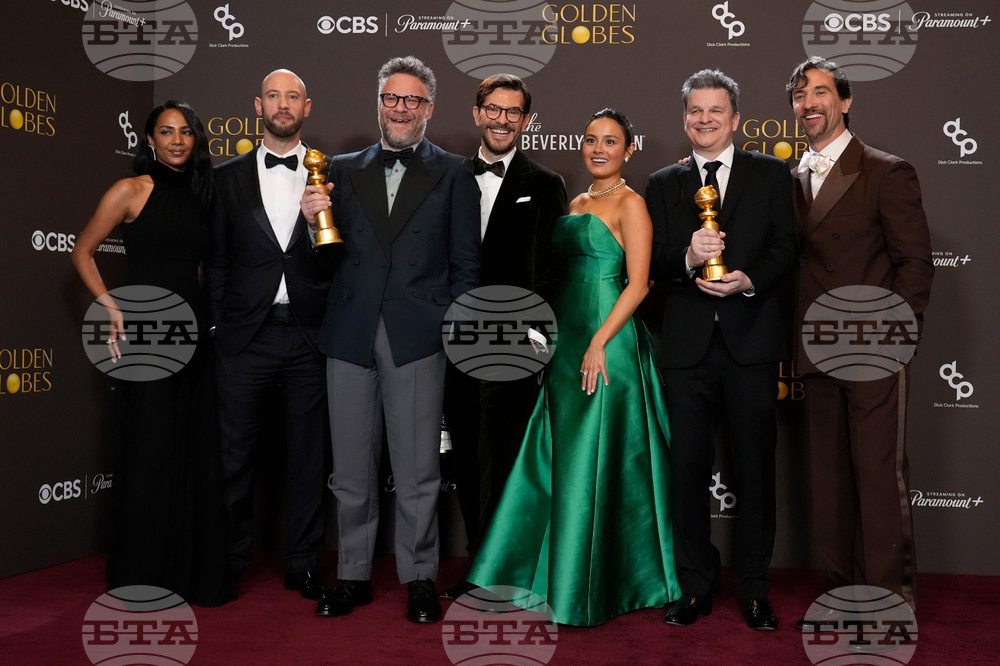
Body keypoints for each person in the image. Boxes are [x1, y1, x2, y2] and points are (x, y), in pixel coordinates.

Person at [467, 108, 680, 626]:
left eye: (611, 141)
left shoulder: (632, 204)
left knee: (597, 459)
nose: (598, 148)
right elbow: (558, 278)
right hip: (566, 339)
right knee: (557, 459)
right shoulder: (578, 200)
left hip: (609, 341)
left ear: (630, 150)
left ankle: (596, 585)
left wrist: (600, 341)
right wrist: (554, 347)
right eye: (590, 140)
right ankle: (542, 573)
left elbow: (639, 283)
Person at [299, 55, 480, 624]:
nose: (401, 108)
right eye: (391, 98)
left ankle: (420, 576)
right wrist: (310, 224)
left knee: (419, 469)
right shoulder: (341, 170)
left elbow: (466, 266)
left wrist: (445, 327)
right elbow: (321, 262)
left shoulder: (454, 173)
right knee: (351, 468)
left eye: (413, 100)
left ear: (429, 107)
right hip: (349, 331)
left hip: (417, 336)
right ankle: (352, 575)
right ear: (379, 103)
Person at [646, 69, 797, 630]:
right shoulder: (663, 182)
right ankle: (694, 587)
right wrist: (687, 257)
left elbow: (787, 245)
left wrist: (748, 279)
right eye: (694, 111)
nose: (704, 120)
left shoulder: (770, 173)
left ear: (736, 118)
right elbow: (653, 261)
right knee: (686, 471)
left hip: (750, 340)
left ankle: (755, 588)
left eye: (715, 111)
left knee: (755, 470)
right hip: (685, 349)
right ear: (684, 118)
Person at [786, 57, 933, 623]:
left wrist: (894, 339)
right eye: (801, 95)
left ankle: (889, 604)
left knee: (876, 475)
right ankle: (843, 593)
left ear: (845, 102)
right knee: (830, 479)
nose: (810, 102)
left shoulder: (885, 170)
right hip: (816, 348)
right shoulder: (792, 178)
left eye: (821, 92)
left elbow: (916, 264)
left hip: (874, 347)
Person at [72, 100, 229, 606]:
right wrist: (110, 306)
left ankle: (189, 574)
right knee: (153, 451)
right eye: (166, 132)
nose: (177, 140)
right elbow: (82, 250)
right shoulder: (131, 190)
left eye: (185, 132)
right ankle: (144, 575)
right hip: (148, 333)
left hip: (195, 334)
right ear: (150, 140)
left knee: (194, 450)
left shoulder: (206, 195)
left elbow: (199, 267)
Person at [439, 73, 568, 601]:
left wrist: (541, 352)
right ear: (477, 114)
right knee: (467, 458)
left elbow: (552, 271)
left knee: (509, 458)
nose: (501, 120)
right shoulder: (448, 177)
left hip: (518, 344)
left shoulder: (546, 182)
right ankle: (477, 564)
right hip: (457, 340)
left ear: (525, 121)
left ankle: (507, 571)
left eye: (513, 112)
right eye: (493, 109)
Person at [207, 69, 332, 603]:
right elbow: (214, 261)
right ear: (258, 105)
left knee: (308, 458)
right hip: (244, 338)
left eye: (294, 97)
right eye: (275, 96)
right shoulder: (224, 177)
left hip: (309, 335)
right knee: (233, 457)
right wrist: (217, 325)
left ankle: (302, 563)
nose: (284, 105)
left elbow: (341, 258)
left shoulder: (332, 175)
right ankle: (229, 561)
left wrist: (316, 225)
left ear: (308, 107)